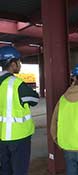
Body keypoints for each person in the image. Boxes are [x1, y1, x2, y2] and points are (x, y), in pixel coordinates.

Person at [0, 46, 39, 175]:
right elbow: (35, 100)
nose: (20, 64)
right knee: (19, 171)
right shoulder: (16, 84)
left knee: (5, 170)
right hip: (18, 138)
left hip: (1, 138)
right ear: (12, 63)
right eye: (19, 61)